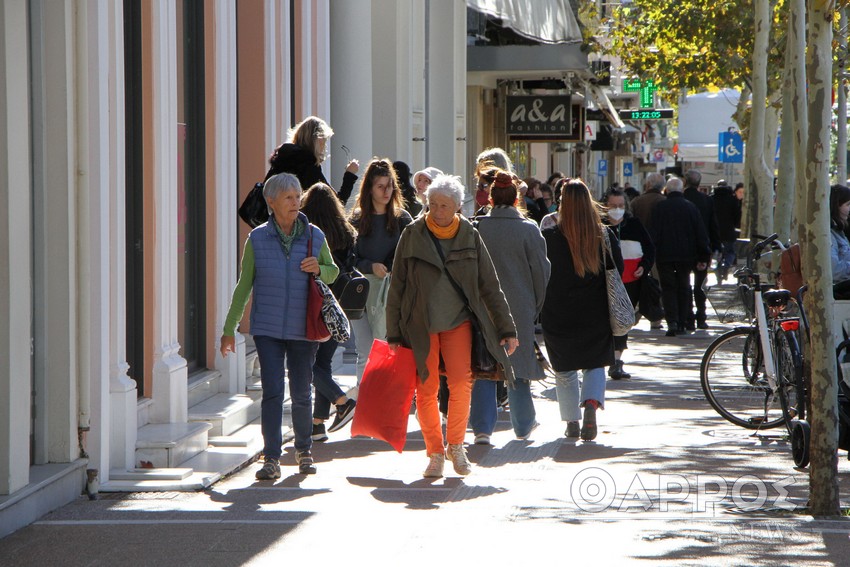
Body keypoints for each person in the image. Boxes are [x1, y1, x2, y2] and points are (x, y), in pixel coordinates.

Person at [386, 174, 518, 478]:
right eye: (432, 204)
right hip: (421, 323)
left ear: (458, 207)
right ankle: (434, 451)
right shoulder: (413, 234)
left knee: (461, 382)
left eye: (444, 205)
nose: (438, 210)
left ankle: (456, 445)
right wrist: (393, 332)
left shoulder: (470, 234)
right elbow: (398, 287)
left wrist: (506, 328)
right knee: (427, 388)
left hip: (458, 321)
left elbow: (489, 284)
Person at [220, 173, 339, 479]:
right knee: (273, 391)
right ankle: (271, 458)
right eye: (288, 197)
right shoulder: (257, 239)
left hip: (304, 328)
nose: (295, 202)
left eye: (298, 196)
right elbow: (243, 286)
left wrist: (320, 268)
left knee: (301, 391)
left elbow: (334, 272)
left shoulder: (315, 236)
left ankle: (303, 451)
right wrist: (228, 329)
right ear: (271, 202)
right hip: (268, 329)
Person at [469, 170, 551, 443]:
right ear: (517, 198)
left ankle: (481, 428)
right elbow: (541, 272)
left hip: (483, 307)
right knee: (517, 370)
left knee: (483, 367)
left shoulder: (477, 227)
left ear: (490, 198)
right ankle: (523, 425)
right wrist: (534, 305)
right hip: (520, 306)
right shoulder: (529, 229)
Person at [541, 178, 622, 441]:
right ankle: (590, 405)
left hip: (557, 311)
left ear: (562, 204)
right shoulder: (604, 235)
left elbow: (541, 273)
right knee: (595, 363)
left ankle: (571, 423)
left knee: (564, 369)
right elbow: (616, 271)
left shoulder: (549, 237)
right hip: (595, 311)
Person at [300, 183, 358, 442]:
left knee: (307, 364)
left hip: (312, 304)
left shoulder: (307, 233)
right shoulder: (345, 231)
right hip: (337, 306)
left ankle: (342, 401)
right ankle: (317, 425)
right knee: (321, 363)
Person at [350, 158, 415, 381]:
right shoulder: (357, 220)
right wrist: (370, 266)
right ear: (369, 188)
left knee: (390, 349)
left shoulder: (402, 219)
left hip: (392, 295)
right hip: (361, 294)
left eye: (390, 186)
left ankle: (387, 403)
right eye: (380, 186)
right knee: (365, 352)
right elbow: (349, 259)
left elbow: (410, 256)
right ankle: (364, 406)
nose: (386, 191)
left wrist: (389, 268)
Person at [602, 188, 655, 380]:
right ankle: (604, 358)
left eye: (620, 206)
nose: (617, 209)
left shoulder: (634, 224)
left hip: (630, 283)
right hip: (604, 284)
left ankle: (617, 361)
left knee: (623, 320)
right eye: (613, 206)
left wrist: (644, 266)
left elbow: (649, 248)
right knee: (605, 321)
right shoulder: (599, 225)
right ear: (605, 206)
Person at [651, 177, 711, 337]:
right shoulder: (690, 208)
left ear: (667, 191)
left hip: (665, 256)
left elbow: (653, 233)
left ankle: (672, 322)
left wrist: (652, 253)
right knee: (684, 287)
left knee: (668, 288)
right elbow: (700, 234)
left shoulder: (660, 207)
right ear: (682, 190)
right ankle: (683, 322)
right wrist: (703, 257)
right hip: (686, 256)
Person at [265, 116, 360, 205]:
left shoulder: (282, 158)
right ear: (316, 140)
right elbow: (336, 204)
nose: (325, 147)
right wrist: (349, 175)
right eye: (324, 141)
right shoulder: (307, 164)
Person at [683, 169, 721, 329]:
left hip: (683, 249)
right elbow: (713, 225)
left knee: (684, 285)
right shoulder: (706, 200)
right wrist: (716, 246)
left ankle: (688, 318)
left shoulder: (682, 199)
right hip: (703, 249)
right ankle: (701, 317)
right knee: (700, 285)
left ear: (685, 182)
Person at [710, 179, 742, 281]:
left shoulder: (712, 199)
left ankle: (718, 274)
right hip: (729, 232)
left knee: (716, 255)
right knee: (730, 252)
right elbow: (737, 216)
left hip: (715, 232)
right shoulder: (732, 199)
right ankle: (726, 266)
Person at [830, 184, 850, 297]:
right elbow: (834, 270)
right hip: (838, 288)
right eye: (848, 204)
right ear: (836, 205)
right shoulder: (829, 234)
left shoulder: (839, 232)